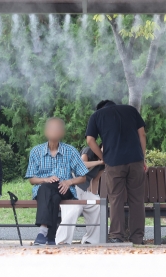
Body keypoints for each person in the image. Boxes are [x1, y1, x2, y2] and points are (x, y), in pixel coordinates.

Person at [86, 100, 147, 244]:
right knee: (137, 200)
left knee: (116, 199)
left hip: (113, 162)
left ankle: (116, 236)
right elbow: (142, 135)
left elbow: (90, 140)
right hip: (135, 160)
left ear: (100, 108)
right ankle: (137, 238)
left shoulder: (96, 116)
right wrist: (142, 158)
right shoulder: (131, 110)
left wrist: (103, 158)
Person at [26, 118, 89, 246]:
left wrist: (69, 182)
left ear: (62, 132)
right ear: (46, 131)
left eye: (57, 129)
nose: (54, 132)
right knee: (49, 192)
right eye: (51, 128)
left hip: (63, 189)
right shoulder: (36, 151)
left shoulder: (70, 151)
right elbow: (32, 179)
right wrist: (45, 179)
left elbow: (83, 177)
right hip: (43, 191)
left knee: (49, 190)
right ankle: (50, 237)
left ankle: (42, 232)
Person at [55, 145, 105, 245]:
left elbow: (94, 181)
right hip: (71, 185)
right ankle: (62, 240)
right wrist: (100, 161)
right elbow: (82, 164)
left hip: (83, 190)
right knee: (74, 208)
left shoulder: (104, 164)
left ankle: (91, 240)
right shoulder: (90, 150)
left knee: (97, 205)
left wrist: (95, 196)